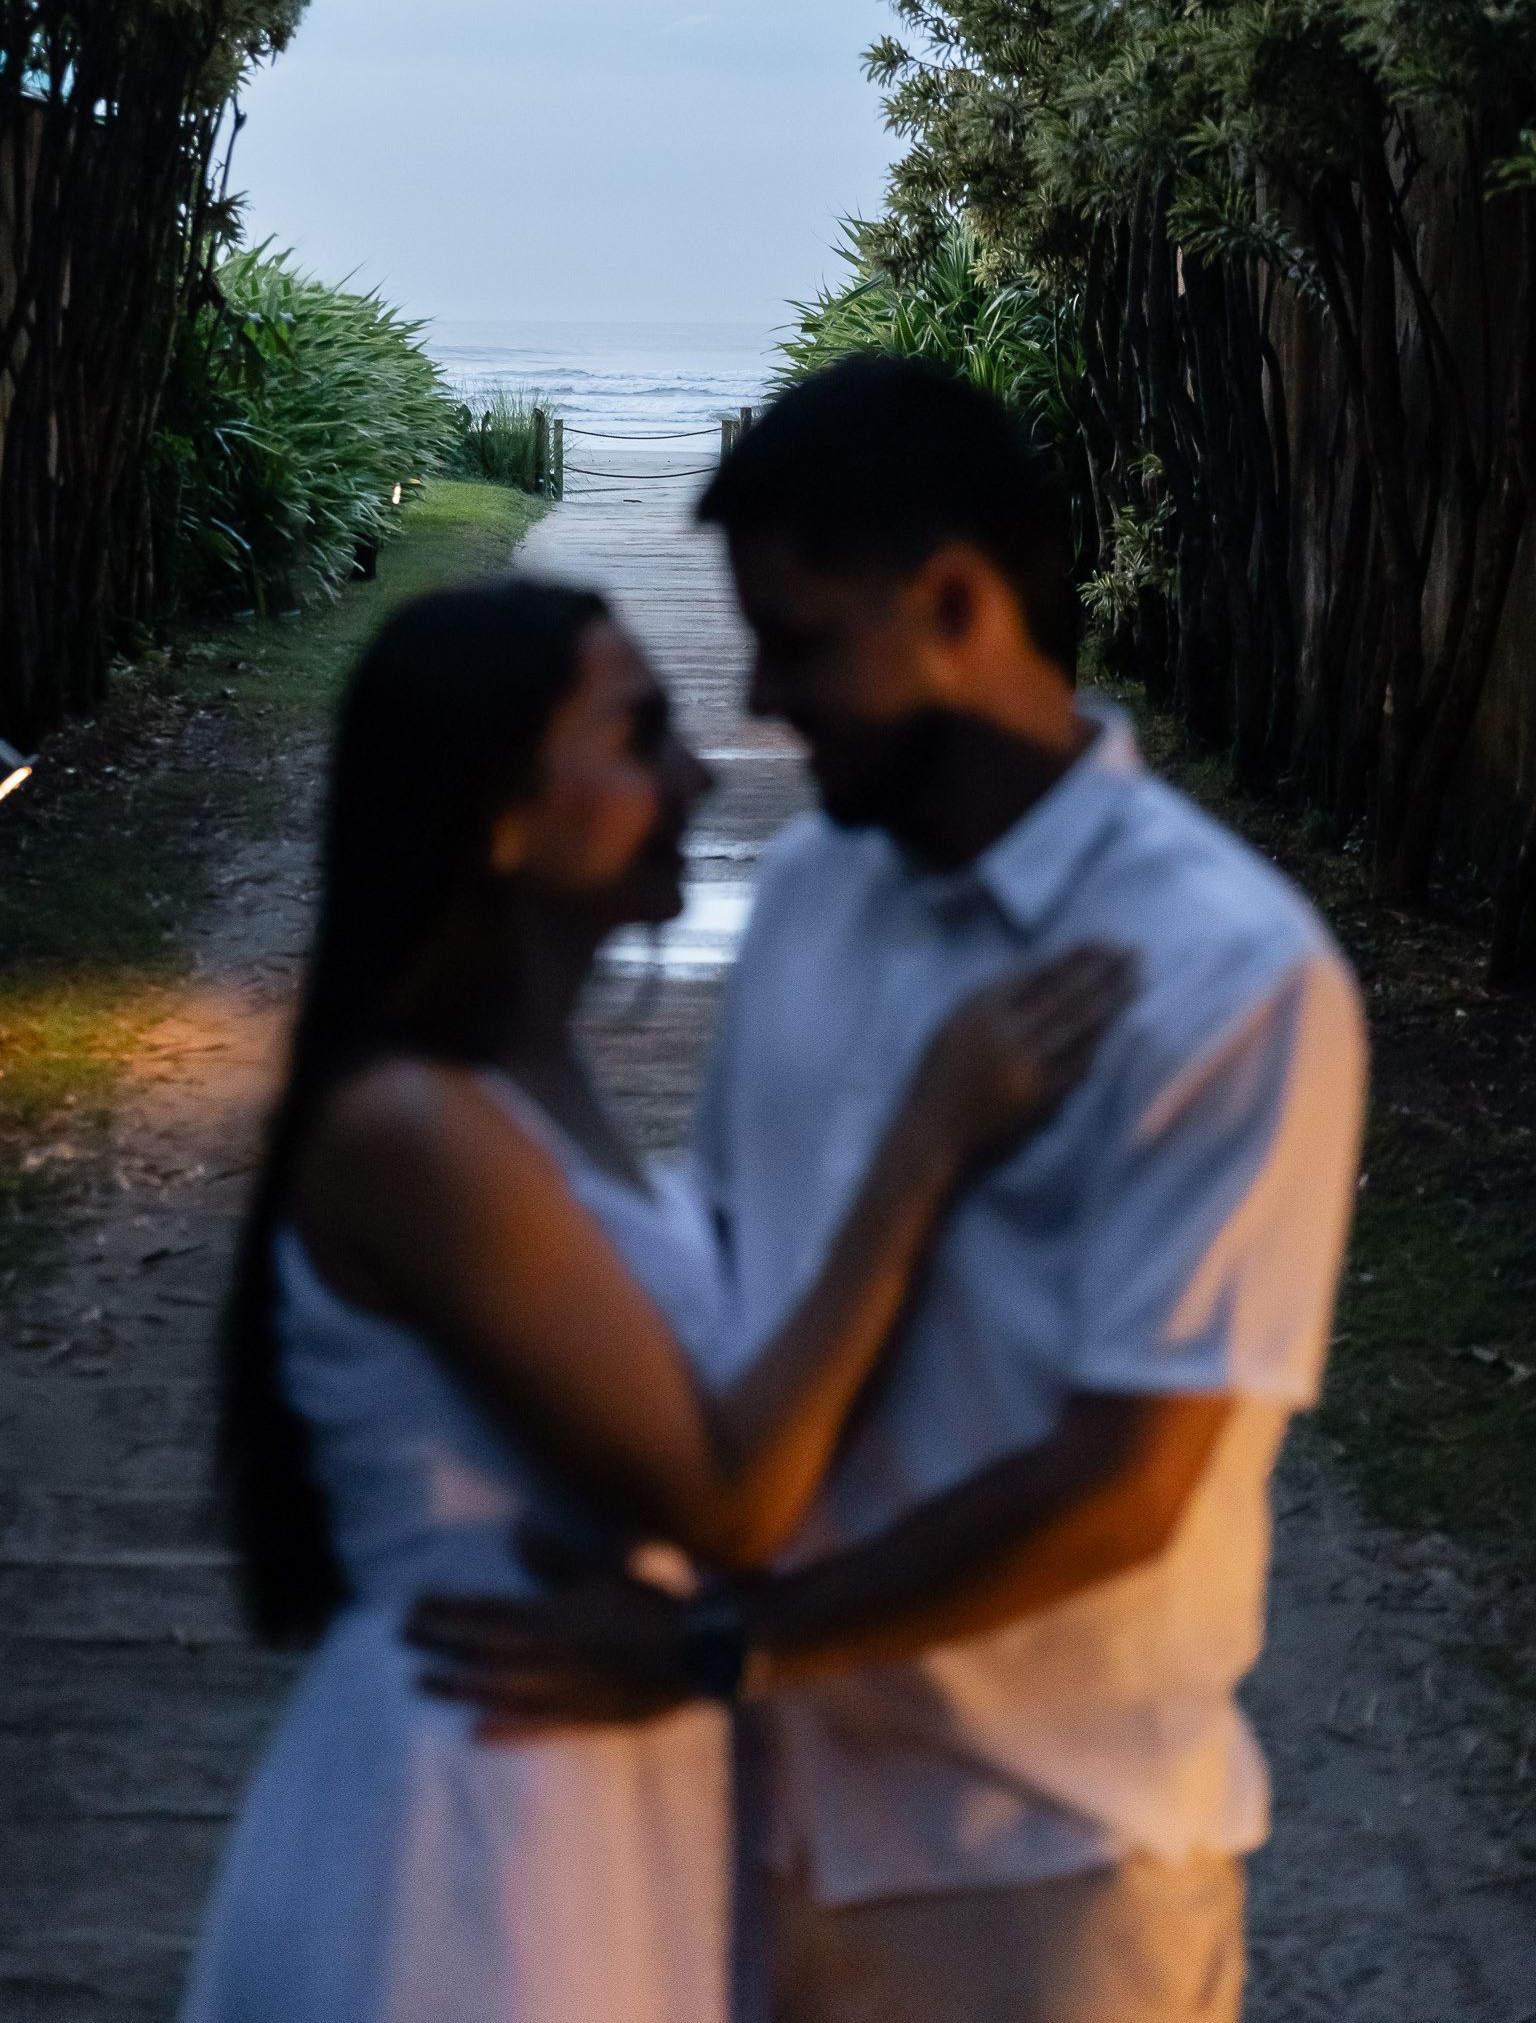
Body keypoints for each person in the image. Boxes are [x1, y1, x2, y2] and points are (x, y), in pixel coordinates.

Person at [410, 356, 1369, 2023]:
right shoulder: (810, 899)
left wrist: (728, 1642)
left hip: (1036, 1876)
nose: (764, 698)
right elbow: (732, 1271)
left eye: (801, 639)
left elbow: (1126, 1483)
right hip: (733, 1824)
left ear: (955, 604)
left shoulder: (1227, 974)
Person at [179, 575, 1132, 2023]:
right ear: (497, 810)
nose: (696, 771)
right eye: (639, 738)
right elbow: (729, 1496)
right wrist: (926, 1141)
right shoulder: (418, 1134)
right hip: (476, 1820)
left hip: (586, 1774)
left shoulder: (532, 1088)